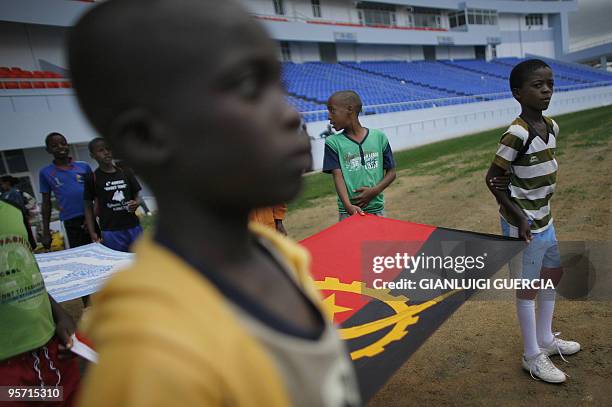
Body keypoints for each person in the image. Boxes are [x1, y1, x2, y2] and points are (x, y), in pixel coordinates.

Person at [68, 0, 361, 406]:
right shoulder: (153, 354)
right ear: (147, 138)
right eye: (246, 86)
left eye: (277, 86)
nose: (293, 116)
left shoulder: (276, 253)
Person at [485, 59, 580, 383]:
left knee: (552, 274)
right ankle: (531, 356)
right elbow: (493, 178)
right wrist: (518, 217)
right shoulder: (516, 133)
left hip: (544, 216)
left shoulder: (552, 127)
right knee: (527, 288)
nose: (546, 90)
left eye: (550, 84)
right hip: (524, 222)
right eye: (538, 86)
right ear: (517, 93)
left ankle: (545, 340)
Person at [0, 198, 81, 407]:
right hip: (6, 374)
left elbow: (27, 270)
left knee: (65, 397)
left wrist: (59, 314)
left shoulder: (12, 211)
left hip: (51, 352)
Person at [323, 90, 396, 221]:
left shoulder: (379, 137)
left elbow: (392, 173)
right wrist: (348, 206)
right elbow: (337, 176)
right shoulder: (332, 143)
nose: (329, 116)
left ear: (349, 109)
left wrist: (375, 190)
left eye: (332, 110)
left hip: (377, 210)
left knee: (379, 242)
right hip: (349, 213)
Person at [83, 137, 143, 252]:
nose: (106, 152)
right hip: (111, 230)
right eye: (100, 150)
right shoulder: (92, 178)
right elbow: (88, 207)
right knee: (119, 263)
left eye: (108, 149)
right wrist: (92, 232)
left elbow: (138, 197)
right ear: (92, 155)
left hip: (133, 226)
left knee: (141, 260)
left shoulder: (125, 172)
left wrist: (136, 203)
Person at [39, 132, 93, 250]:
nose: (60, 147)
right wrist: (46, 231)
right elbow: (46, 203)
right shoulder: (45, 173)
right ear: (48, 150)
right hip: (70, 221)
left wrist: (92, 216)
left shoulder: (84, 166)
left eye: (63, 144)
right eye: (55, 146)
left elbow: (96, 194)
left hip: (92, 217)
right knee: (80, 256)